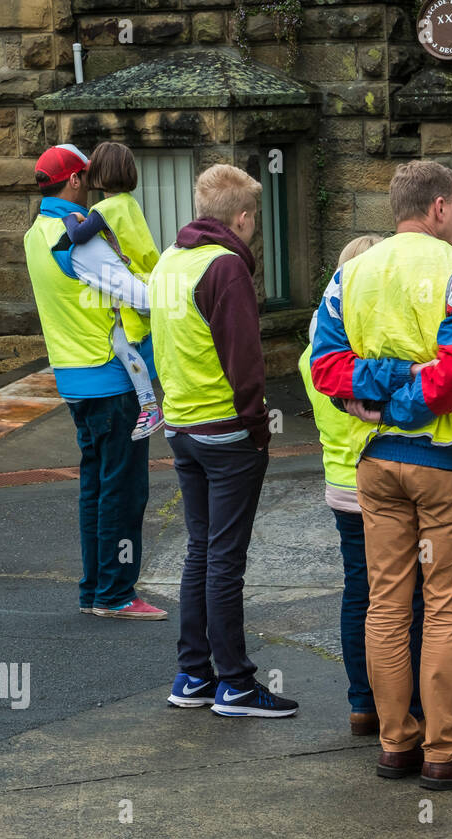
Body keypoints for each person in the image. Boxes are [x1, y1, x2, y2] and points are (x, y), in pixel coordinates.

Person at [310, 160, 452, 789]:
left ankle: (397, 743)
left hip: (374, 463)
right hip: (444, 462)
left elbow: (327, 368)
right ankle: (444, 752)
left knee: (385, 606)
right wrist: (406, 395)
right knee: (444, 611)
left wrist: (380, 394)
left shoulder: (350, 274)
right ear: (440, 207)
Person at [149, 163, 296, 718]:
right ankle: (235, 684)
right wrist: (259, 429)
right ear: (241, 217)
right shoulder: (227, 268)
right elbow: (246, 363)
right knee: (225, 560)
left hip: (182, 426)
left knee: (200, 551)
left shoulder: (170, 261)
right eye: (253, 217)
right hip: (226, 432)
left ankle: (193, 676)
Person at [22, 143, 166, 621]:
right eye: (85, 176)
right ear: (75, 182)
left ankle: (95, 589)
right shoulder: (76, 237)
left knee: (96, 488)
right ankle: (117, 594)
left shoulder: (35, 233)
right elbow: (141, 298)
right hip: (111, 381)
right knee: (124, 491)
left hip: (73, 379)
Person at [297, 235, 426, 736]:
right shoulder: (380, 355)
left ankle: (362, 701)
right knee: (405, 599)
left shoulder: (315, 355)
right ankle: (409, 703)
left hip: (340, 485)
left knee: (359, 593)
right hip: (388, 483)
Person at [62, 142, 164, 441]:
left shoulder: (104, 208)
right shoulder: (129, 202)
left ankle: (149, 405)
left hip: (133, 285)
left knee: (122, 346)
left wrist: (71, 216)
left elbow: (78, 236)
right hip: (149, 278)